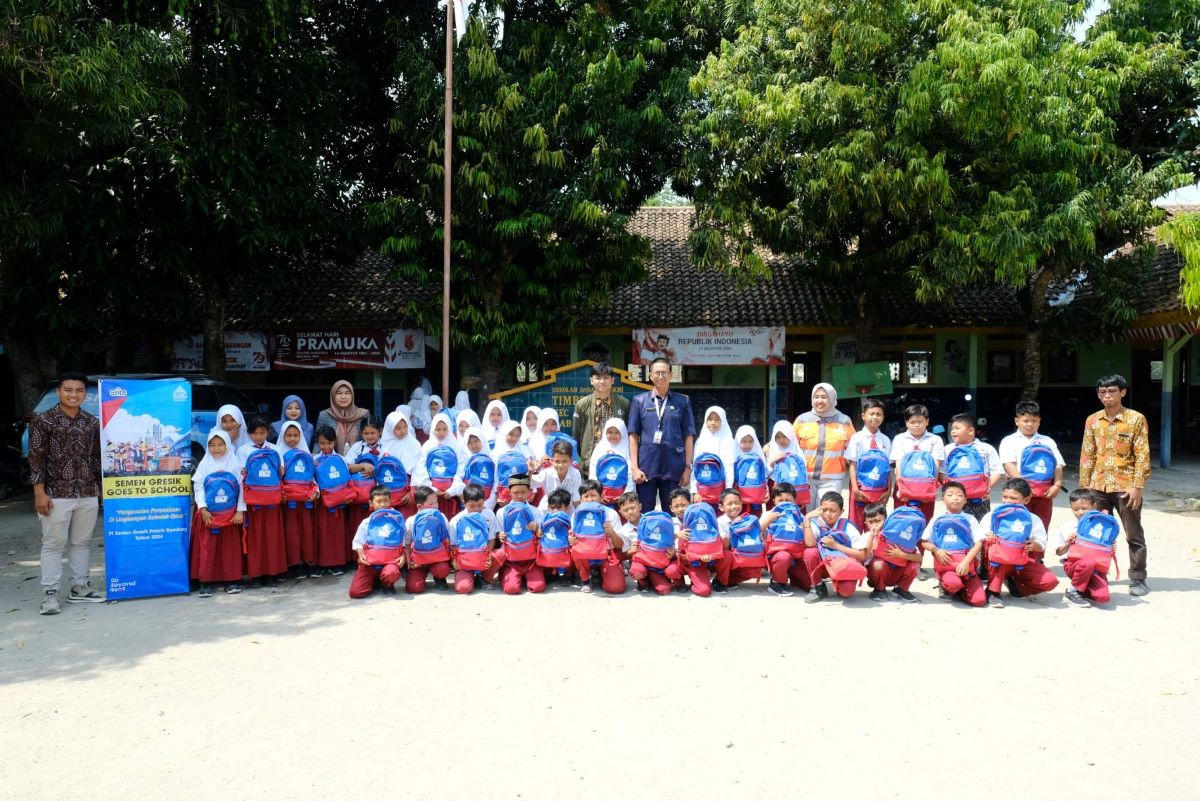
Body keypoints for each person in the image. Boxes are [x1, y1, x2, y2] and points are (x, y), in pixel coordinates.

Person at [31, 372, 103, 613]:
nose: (74, 395)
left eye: (79, 390)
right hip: (56, 493)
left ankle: (79, 587)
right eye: (69, 390)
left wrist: (100, 490)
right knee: (53, 544)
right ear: (58, 392)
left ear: (85, 393)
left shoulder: (92, 422)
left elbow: (96, 458)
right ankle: (50, 595)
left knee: (81, 543)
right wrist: (39, 492)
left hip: (87, 491)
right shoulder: (44, 421)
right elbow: (36, 460)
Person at [1078, 374, 1151, 596]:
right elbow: (1087, 454)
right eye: (1102, 392)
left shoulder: (1135, 419)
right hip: (1097, 486)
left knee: (1133, 534)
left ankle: (1137, 578)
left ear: (1123, 392)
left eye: (1111, 391)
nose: (1106, 395)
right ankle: (1097, 575)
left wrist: (1137, 486)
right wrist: (1084, 489)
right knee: (1096, 533)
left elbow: (1142, 454)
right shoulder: (1092, 420)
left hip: (1126, 486)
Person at [628, 358, 696, 513]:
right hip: (646, 467)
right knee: (645, 511)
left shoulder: (683, 401)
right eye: (657, 372)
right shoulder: (639, 401)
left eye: (664, 372)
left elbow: (689, 435)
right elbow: (633, 435)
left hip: (674, 466)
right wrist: (634, 467)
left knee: (673, 511)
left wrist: (687, 467)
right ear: (650, 375)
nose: (660, 376)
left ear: (671, 375)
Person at [980, 478, 1060, 607]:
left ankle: (1015, 586)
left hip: (1022, 560)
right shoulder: (994, 515)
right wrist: (987, 537)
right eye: (1005, 497)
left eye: (1013, 498)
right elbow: (979, 537)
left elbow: (1041, 545)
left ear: (1026, 500)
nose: (1007, 501)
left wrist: (1033, 545)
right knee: (1003, 551)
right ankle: (992, 591)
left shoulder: (1032, 519)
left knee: (1049, 581)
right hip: (997, 558)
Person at [190, 428, 246, 597]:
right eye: (212, 445)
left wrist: (239, 511)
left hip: (230, 514)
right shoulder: (205, 464)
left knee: (230, 549)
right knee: (208, 548)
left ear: (227, 445)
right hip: (210, 515)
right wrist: (203, 509)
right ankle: (206, 581)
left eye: (220, 444)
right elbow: (198, 486)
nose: (216, 448)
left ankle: (232, 580)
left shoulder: (235, 464)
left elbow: (242, 488)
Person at [999, 400, 1065, 530]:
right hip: (1018, 493)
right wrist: (1025, 488)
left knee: (1041, 527)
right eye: (1026, 420)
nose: (1030, 424)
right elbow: (1008, 465)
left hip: (1044, 493)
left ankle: (1038, 550)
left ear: (1039, 421)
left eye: (1034, 421)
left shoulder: (1048, 441)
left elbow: (1058, 465)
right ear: (1017, 421)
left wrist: (1057, 485)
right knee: (1017, 527)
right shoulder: (1009, 441)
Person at [238, 416, 287, 586]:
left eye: (262, 432)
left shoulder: (276, 448)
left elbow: (281, 473)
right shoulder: (243, 450)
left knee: (273, 537)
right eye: (255, 433)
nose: (259, 436)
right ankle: (257, 574)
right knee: (256, 538)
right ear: (249, 434)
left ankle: (273, 573)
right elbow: (240, 474)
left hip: (272, 500)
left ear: (267, 432)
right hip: (254, 502)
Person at [921, 481, 986, 607]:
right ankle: (947, 586)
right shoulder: (937, 519)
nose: (955, 498)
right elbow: (924, 542)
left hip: (966, 565)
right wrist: (936, 550)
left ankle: (962, 590)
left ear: (966, 500)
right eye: (950, 495)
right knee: (953, 584)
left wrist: (966, 561)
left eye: (959, 495)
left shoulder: (970, 519)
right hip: (946, 565)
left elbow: (979, 543)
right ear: (942, 499)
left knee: (979, 601)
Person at [802, 491, 869, 603]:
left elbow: (862, 555)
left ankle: (839, 582)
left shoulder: (848, 527)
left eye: (833, 511)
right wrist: (807, 519)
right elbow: (809, 544)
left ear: (841, 512)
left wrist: (836, 546)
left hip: (842, 565)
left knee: (846, 592)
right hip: (822, 566)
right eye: (824, 510)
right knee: (810, 552)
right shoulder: (816, 523)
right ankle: (818, 587)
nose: (827, 514)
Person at [1055, 489, 1119, 607]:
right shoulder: (1067, 527)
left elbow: (1106, 550)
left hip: (1096, 568)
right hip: (1074, 565)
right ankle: (1072, 591)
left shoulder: (1101, 527)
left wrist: (1111, 548)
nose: (1080, 512)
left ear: (1094, 506)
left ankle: (1082, 589)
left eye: (1084, 509)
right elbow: (1058, 552)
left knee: (1102, 597)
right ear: (1071, 507)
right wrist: (1068, 543)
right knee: (1087, 562)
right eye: (1076, 509)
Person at [792, 382, 856, 496]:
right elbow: (788, 443)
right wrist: (769, 447)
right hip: (805, 478)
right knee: (808, 513)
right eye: (816, 397)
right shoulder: (802, 420)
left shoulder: (844, 421)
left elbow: (854, 449)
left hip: (832, 480)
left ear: (832, 398)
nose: (819, 401)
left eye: (824, 397)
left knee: (826, 513)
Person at [572, 362, 632, 476]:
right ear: (591, 380)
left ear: (612, 380)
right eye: (598, 378)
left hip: (618, 460)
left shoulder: (624, 403)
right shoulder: (582, 404)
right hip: (590, 462)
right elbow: (576, 435)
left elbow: (628, 434)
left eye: (606, 377)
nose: (602, 381)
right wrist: (583, 460)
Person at [889, 403, 945, 521]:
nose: (916, 425)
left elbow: (935, 466)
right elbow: (898, 464)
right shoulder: (899, 439)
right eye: (912, 422)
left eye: (920, 421)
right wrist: (901, 489)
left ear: (927, 421)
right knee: (902, 522)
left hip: (926, 487)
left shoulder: (935, 440)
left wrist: (931, 490)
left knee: (925, 521)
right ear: (906, 423)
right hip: (904, 486)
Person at [942, 413, 1003, 521]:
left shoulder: (986, 448)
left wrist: (986, 488)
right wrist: (949, 491)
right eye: (952, 429)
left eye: (957, 428)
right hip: (955, 499)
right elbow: (942, 473)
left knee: (980, 529)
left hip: (980, 499)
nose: (953, 431)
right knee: (956, 528)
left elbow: (997, 472)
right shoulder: (947, 450)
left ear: (970, 430)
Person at [348, 487, 406, 598]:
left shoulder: (397, 521)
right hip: (370, 563)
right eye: (378, 501)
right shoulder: (367, 522)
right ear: (371, 503)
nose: (382, 505)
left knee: (391, 573)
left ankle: (387, 583)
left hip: (390, 561)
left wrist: (403, 555)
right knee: (356, 593)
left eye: (385, 501)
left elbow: (403, 541)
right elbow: (357, 542)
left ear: (390, 501)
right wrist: (360, 554)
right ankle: (374, 579)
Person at [571, 481, 628, 594]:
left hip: (607, 554)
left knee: (616, 587)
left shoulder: (611, 513)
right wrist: (572, 540)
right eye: (585, 496)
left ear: (602, 497)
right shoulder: (577, 514)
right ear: (581, 499)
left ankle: (604, 572)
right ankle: (586, 579)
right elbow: (575, 539)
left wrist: (611, 532)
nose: (589, 499)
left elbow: (620, 545)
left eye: (593, 495)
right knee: (574, 549)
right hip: (586, 554)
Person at [846, 398, 891, 532]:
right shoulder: (857, 438)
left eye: (878, 414)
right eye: (871, 414)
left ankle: (875, 551)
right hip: (860, 488)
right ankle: (857, 550)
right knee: (857, 521)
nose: (875, 417)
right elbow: (852, 464)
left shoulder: (885, 440)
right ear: (863, 416)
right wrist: (855, 488)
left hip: (879, 489)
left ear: (883, 417)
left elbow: (887, 468)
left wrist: (888, 490)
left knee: (877, 521)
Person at [448, 484, 502, 593]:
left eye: (480, 505)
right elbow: (453, 545)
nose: (476, 509)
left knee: (501, 554)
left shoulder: (489, 515)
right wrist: (455, 560)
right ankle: (469, 576)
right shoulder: (456, 520)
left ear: (484, 501)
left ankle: (483, 579)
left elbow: (491, 539)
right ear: (464, 502)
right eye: (472, 506)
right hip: (464, 559)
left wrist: (488, 555)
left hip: (483, 555)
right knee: (463, 588)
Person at [865, 503, 923, 603]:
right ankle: (879, 589)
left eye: (878, 521)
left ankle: (901, 589)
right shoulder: (867, 536)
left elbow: (919, 558)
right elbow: (864, 556)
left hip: (898, 574)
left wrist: (901, 554)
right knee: (878, 564)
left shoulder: (899, 535)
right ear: (866, 523)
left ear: (887, 520)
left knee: (915, 564)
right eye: (871, 522)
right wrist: (872, 537)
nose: (875, 525)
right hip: (878, 574)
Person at [406, 486, 453, 592]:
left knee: (442, 570)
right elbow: (407, 543)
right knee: (414, 587)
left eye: (436, 502)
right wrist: (409, 561)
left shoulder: (441, 517)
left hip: (438, 557)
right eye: (431, 504)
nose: (435, 506)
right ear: (419, 506)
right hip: (419, 559)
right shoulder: (411, 521)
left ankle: (439, 578)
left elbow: (447, 540)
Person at [690, 406, 735, 506]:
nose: (713, 423)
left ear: (723, 421)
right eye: (709, 419)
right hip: (703, 490)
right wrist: (694, 491)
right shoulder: (700, 441)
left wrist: (728, 489)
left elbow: (729, 467)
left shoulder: (728, 441)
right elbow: (695, 467)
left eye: (717, 419)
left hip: (721, 489)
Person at [588, 418, 635, 504]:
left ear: (623, 433)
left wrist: (626, 494)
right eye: (610, 432)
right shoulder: (600, 447)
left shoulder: (627, 448)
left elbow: (630, 473)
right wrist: (598, 493)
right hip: (603, 495)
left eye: (617, 432)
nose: (613, 435)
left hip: (623, 495)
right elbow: (593, 471)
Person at [315, 380, 368, 455]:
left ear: (352, 395)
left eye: (347, 393)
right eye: (339, 393)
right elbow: (318, 441)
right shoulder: (324, 415)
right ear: (333, 395)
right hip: (332, 461)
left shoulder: (363, 415)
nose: (343, 397)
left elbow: (368, 440)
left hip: (359, 461)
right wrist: (315, 457)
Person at [535, 440, 581, 511]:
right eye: (557, 461)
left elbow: (576, 498)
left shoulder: (575, 474)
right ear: (552, 461)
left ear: (571, 461)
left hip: (568, 510)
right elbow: (531, 483)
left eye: (564, 461)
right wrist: (530, 472)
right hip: (548, 509)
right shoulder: (547, 472)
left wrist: (580, 513)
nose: (560, 465)